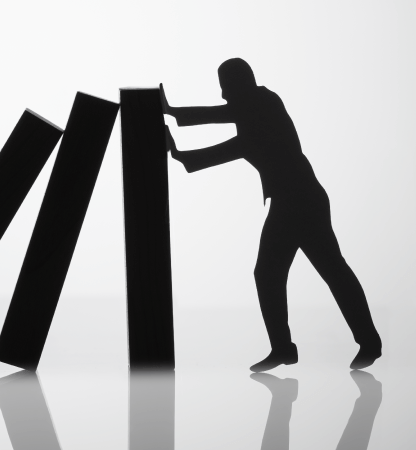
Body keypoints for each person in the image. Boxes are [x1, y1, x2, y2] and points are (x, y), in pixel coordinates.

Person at [162, 58, 381, 371]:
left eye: (226, 87)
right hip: (292, 200)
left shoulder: (260, 107)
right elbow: (226, 119)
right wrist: (176, 120)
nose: (223, 95)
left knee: (325, 270)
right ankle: (287, 347)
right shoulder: (257, 106)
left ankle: (355, 342)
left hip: (299, 201)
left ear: (240, 84)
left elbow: (235, 142)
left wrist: (183, 148)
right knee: (294, 272)